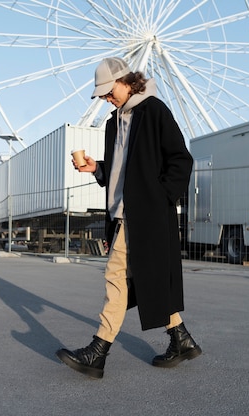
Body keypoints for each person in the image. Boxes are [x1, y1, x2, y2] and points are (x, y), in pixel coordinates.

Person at [55, 57, 201, 379]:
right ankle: (181, 339)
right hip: (122, 215)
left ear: (125, 81)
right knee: (151, 278)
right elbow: (124, 173)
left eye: (109, 92)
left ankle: (98, 351)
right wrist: (97, 168)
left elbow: (181, 159)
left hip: (145, 215)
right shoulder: (113, 122)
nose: (107, 98)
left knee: (116, 278)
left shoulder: (154, 112)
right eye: (103, 95)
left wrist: (160, 199)